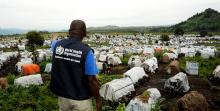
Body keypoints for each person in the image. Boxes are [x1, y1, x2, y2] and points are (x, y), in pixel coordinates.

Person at [50, 20, 102, 111]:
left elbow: (53, 42)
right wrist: (98, 100)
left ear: (69, 32)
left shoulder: (57, 45)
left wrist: (54, 37)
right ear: (84, 34)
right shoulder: (86, 51)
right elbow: (92, 80)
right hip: (81, 99)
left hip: (63, 96)